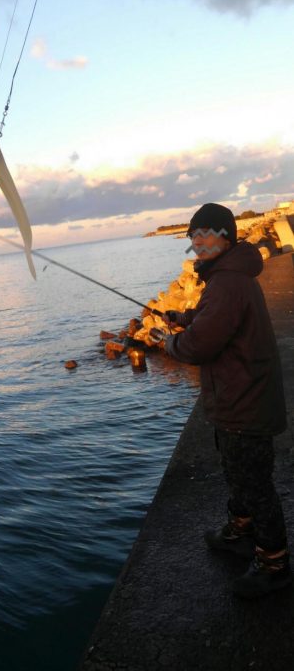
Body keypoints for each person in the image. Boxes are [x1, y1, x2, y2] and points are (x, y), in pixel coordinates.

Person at [155, 202, 290, 599]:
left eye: (205, 233)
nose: (197, 242)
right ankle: (241, 531)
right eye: (192, 236)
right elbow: (214, 318)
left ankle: (274, 563)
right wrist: (188, 317)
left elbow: (200, 346)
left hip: (243, 402)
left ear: (226, 237)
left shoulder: (228, 282)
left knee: (255, 482)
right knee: (238, 473)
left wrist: (171, 341)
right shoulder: (227, 278)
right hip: (238, 397)